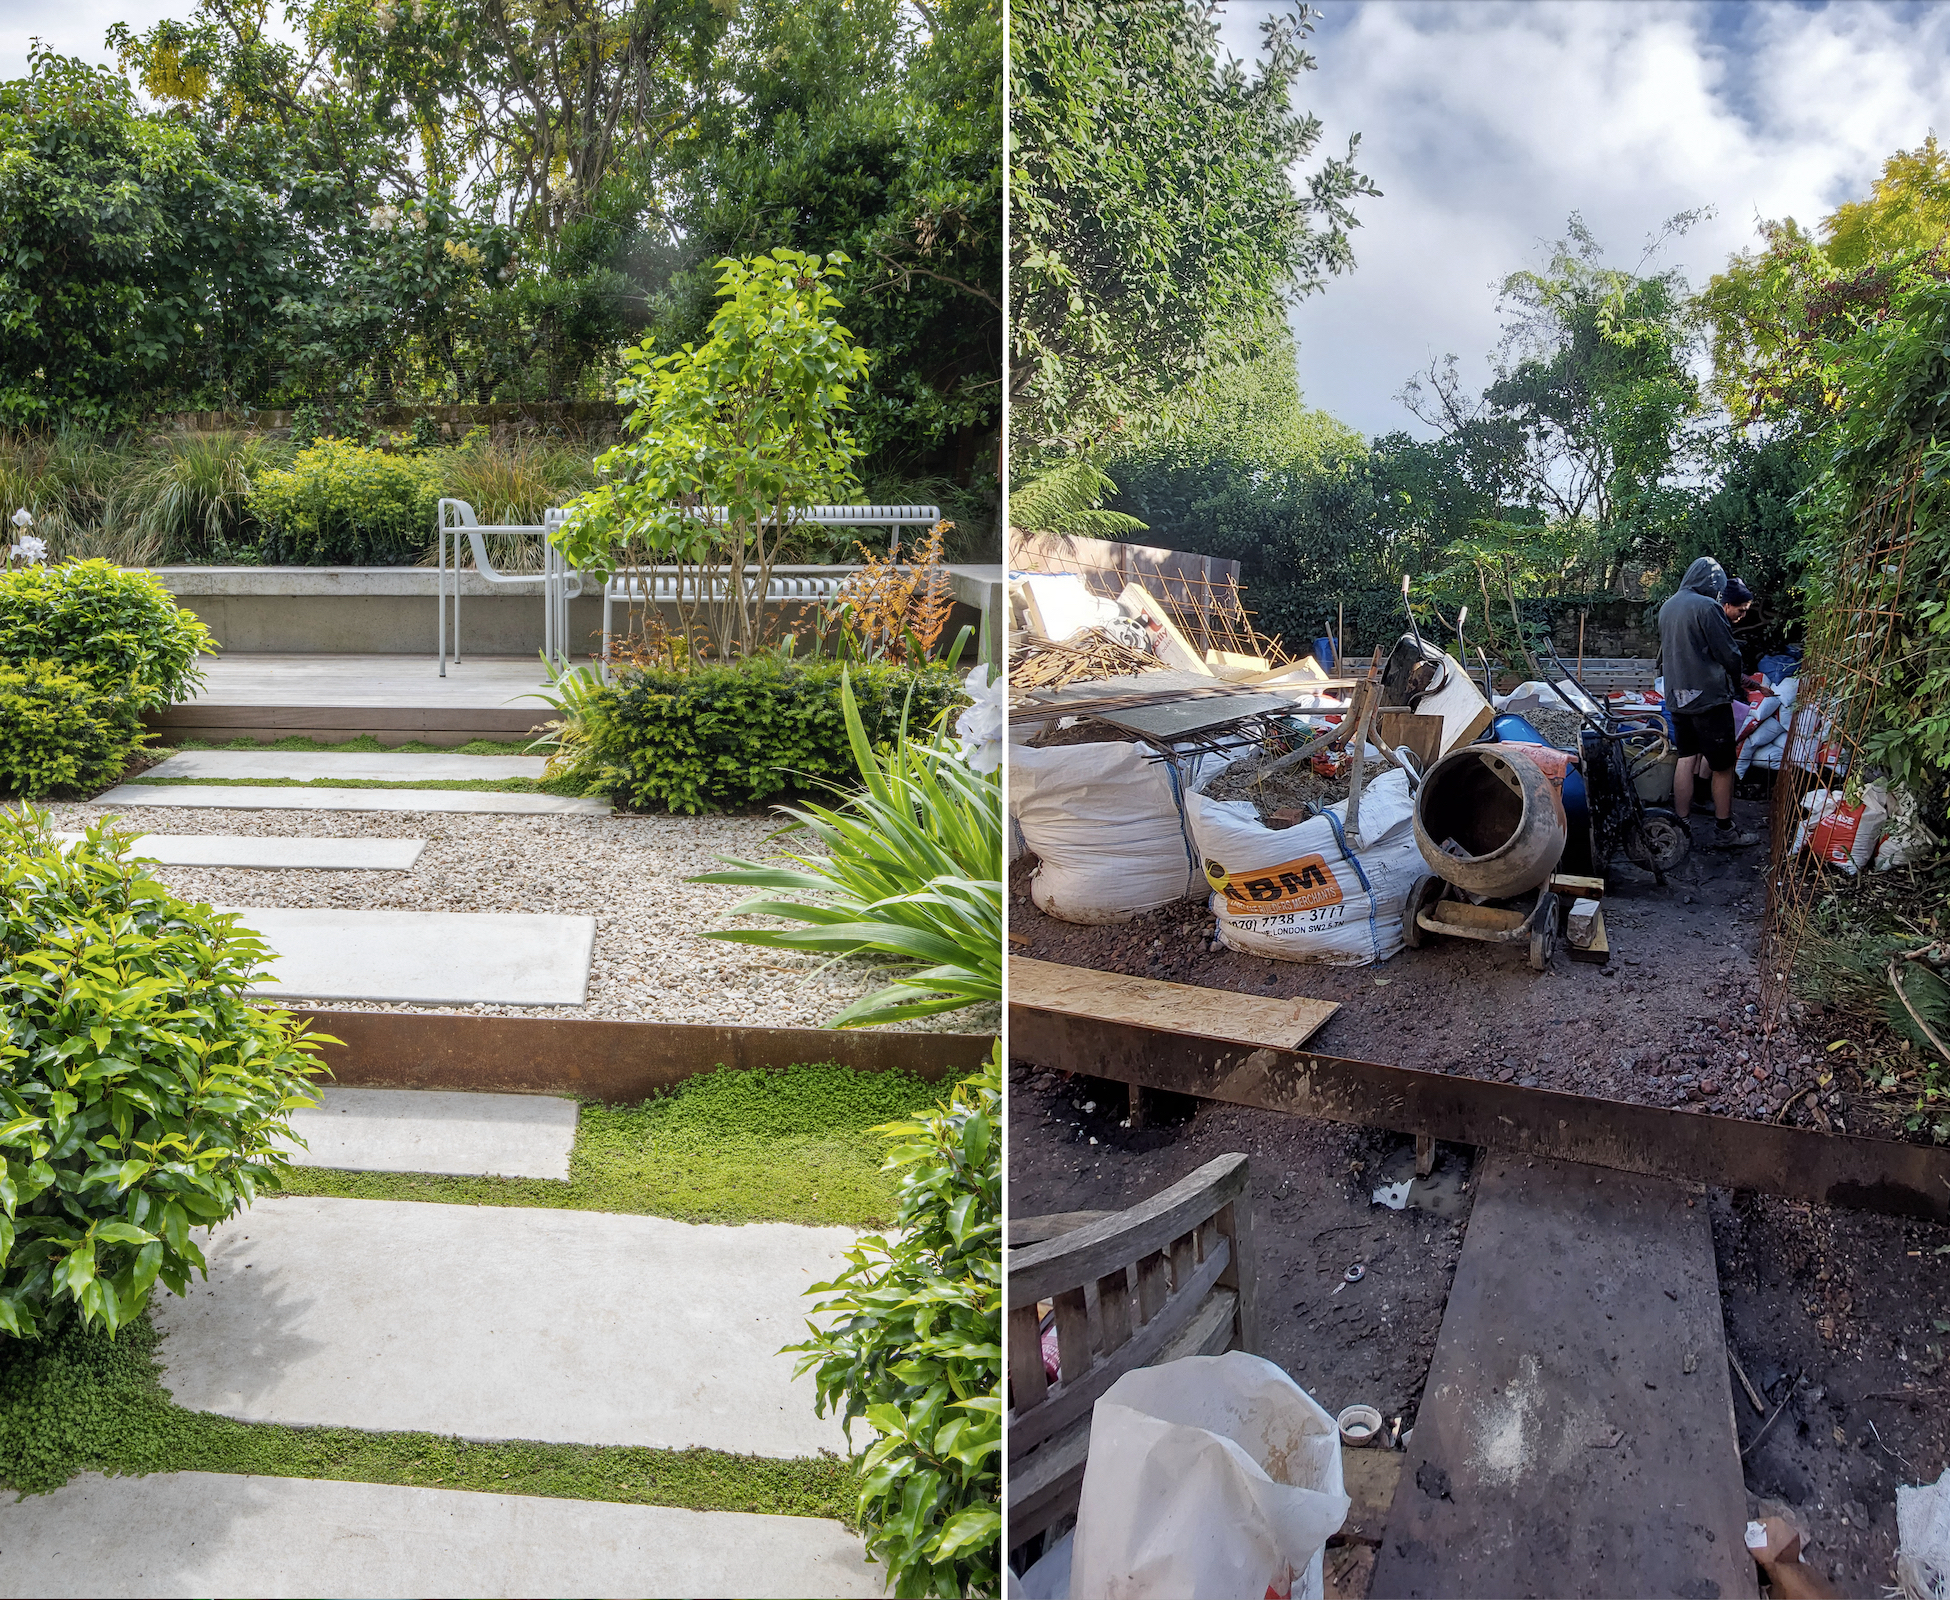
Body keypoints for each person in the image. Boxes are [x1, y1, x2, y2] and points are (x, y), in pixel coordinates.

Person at [1657, 557, 1760, 848]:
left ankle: (1682, 825)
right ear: (1711, 583)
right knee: (1723, 766)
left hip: (1677, 697)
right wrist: (1737, 680)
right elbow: (1729, 654)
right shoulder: (1708, 607)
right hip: (1708, 699)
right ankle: (1725, 831)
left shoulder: (1668, 607)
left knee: (1686, 757)